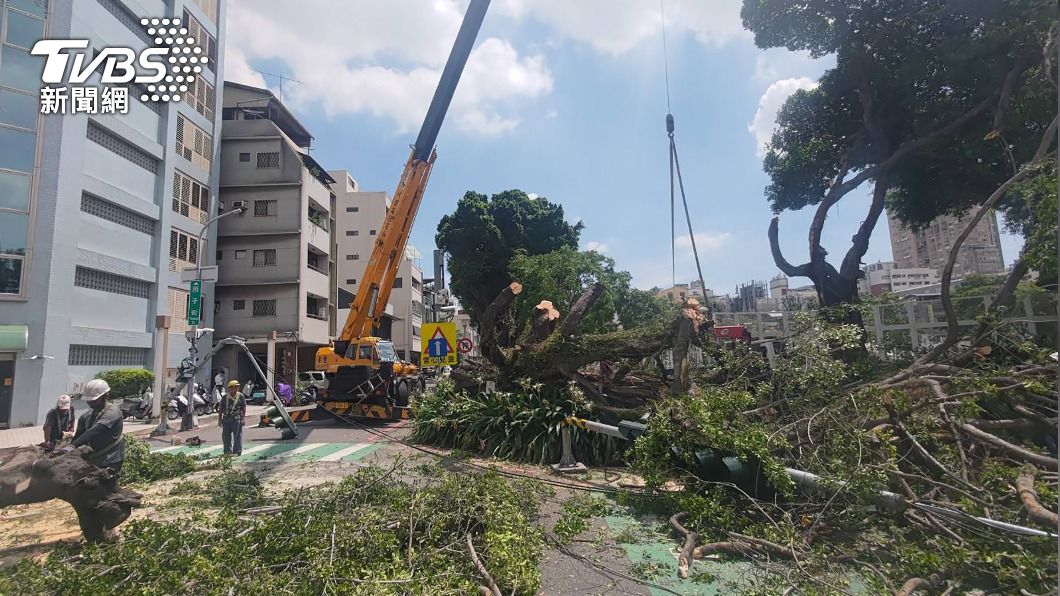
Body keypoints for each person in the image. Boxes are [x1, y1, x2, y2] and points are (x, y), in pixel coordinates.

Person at [64, 380, 125, 485]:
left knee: (105, 488)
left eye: (94, 400)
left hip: (110, 459)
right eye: (89, 400)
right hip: (94, 459)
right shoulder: (86, 417)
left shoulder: (113, 412)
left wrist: (73, 446)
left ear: (105, 396)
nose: (90, 403)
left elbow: (96, 430)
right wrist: (67, 449)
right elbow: (79, 436)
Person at [220, 379, 247, 455]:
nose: (236, 389)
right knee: (226, 437)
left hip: (236, 419)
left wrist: (243, 419)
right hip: (226, 419)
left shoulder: (241, 396)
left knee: (237, 436)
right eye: (234, 387)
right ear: (230, 388)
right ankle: (227, 451)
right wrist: (219, 420)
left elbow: (244, 408)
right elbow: (221, 409)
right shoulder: (225, 397)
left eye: (237, 387)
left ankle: (237, 451)